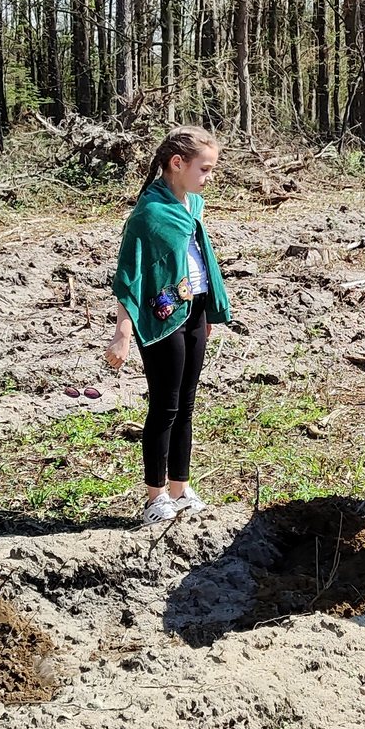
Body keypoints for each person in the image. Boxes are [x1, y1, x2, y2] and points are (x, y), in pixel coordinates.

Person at [107, 127, 233, 526]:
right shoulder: (149, 214)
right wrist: (123, 331)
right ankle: (155, 496)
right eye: (205, 169)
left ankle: (180, 488)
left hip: (193, 312)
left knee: (188, 405)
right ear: (177, 164)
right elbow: (131, 276)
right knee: (165, 406)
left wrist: (207, 310)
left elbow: (196, 258)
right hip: (162, 318)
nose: (208, 177)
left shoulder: (192, 206)